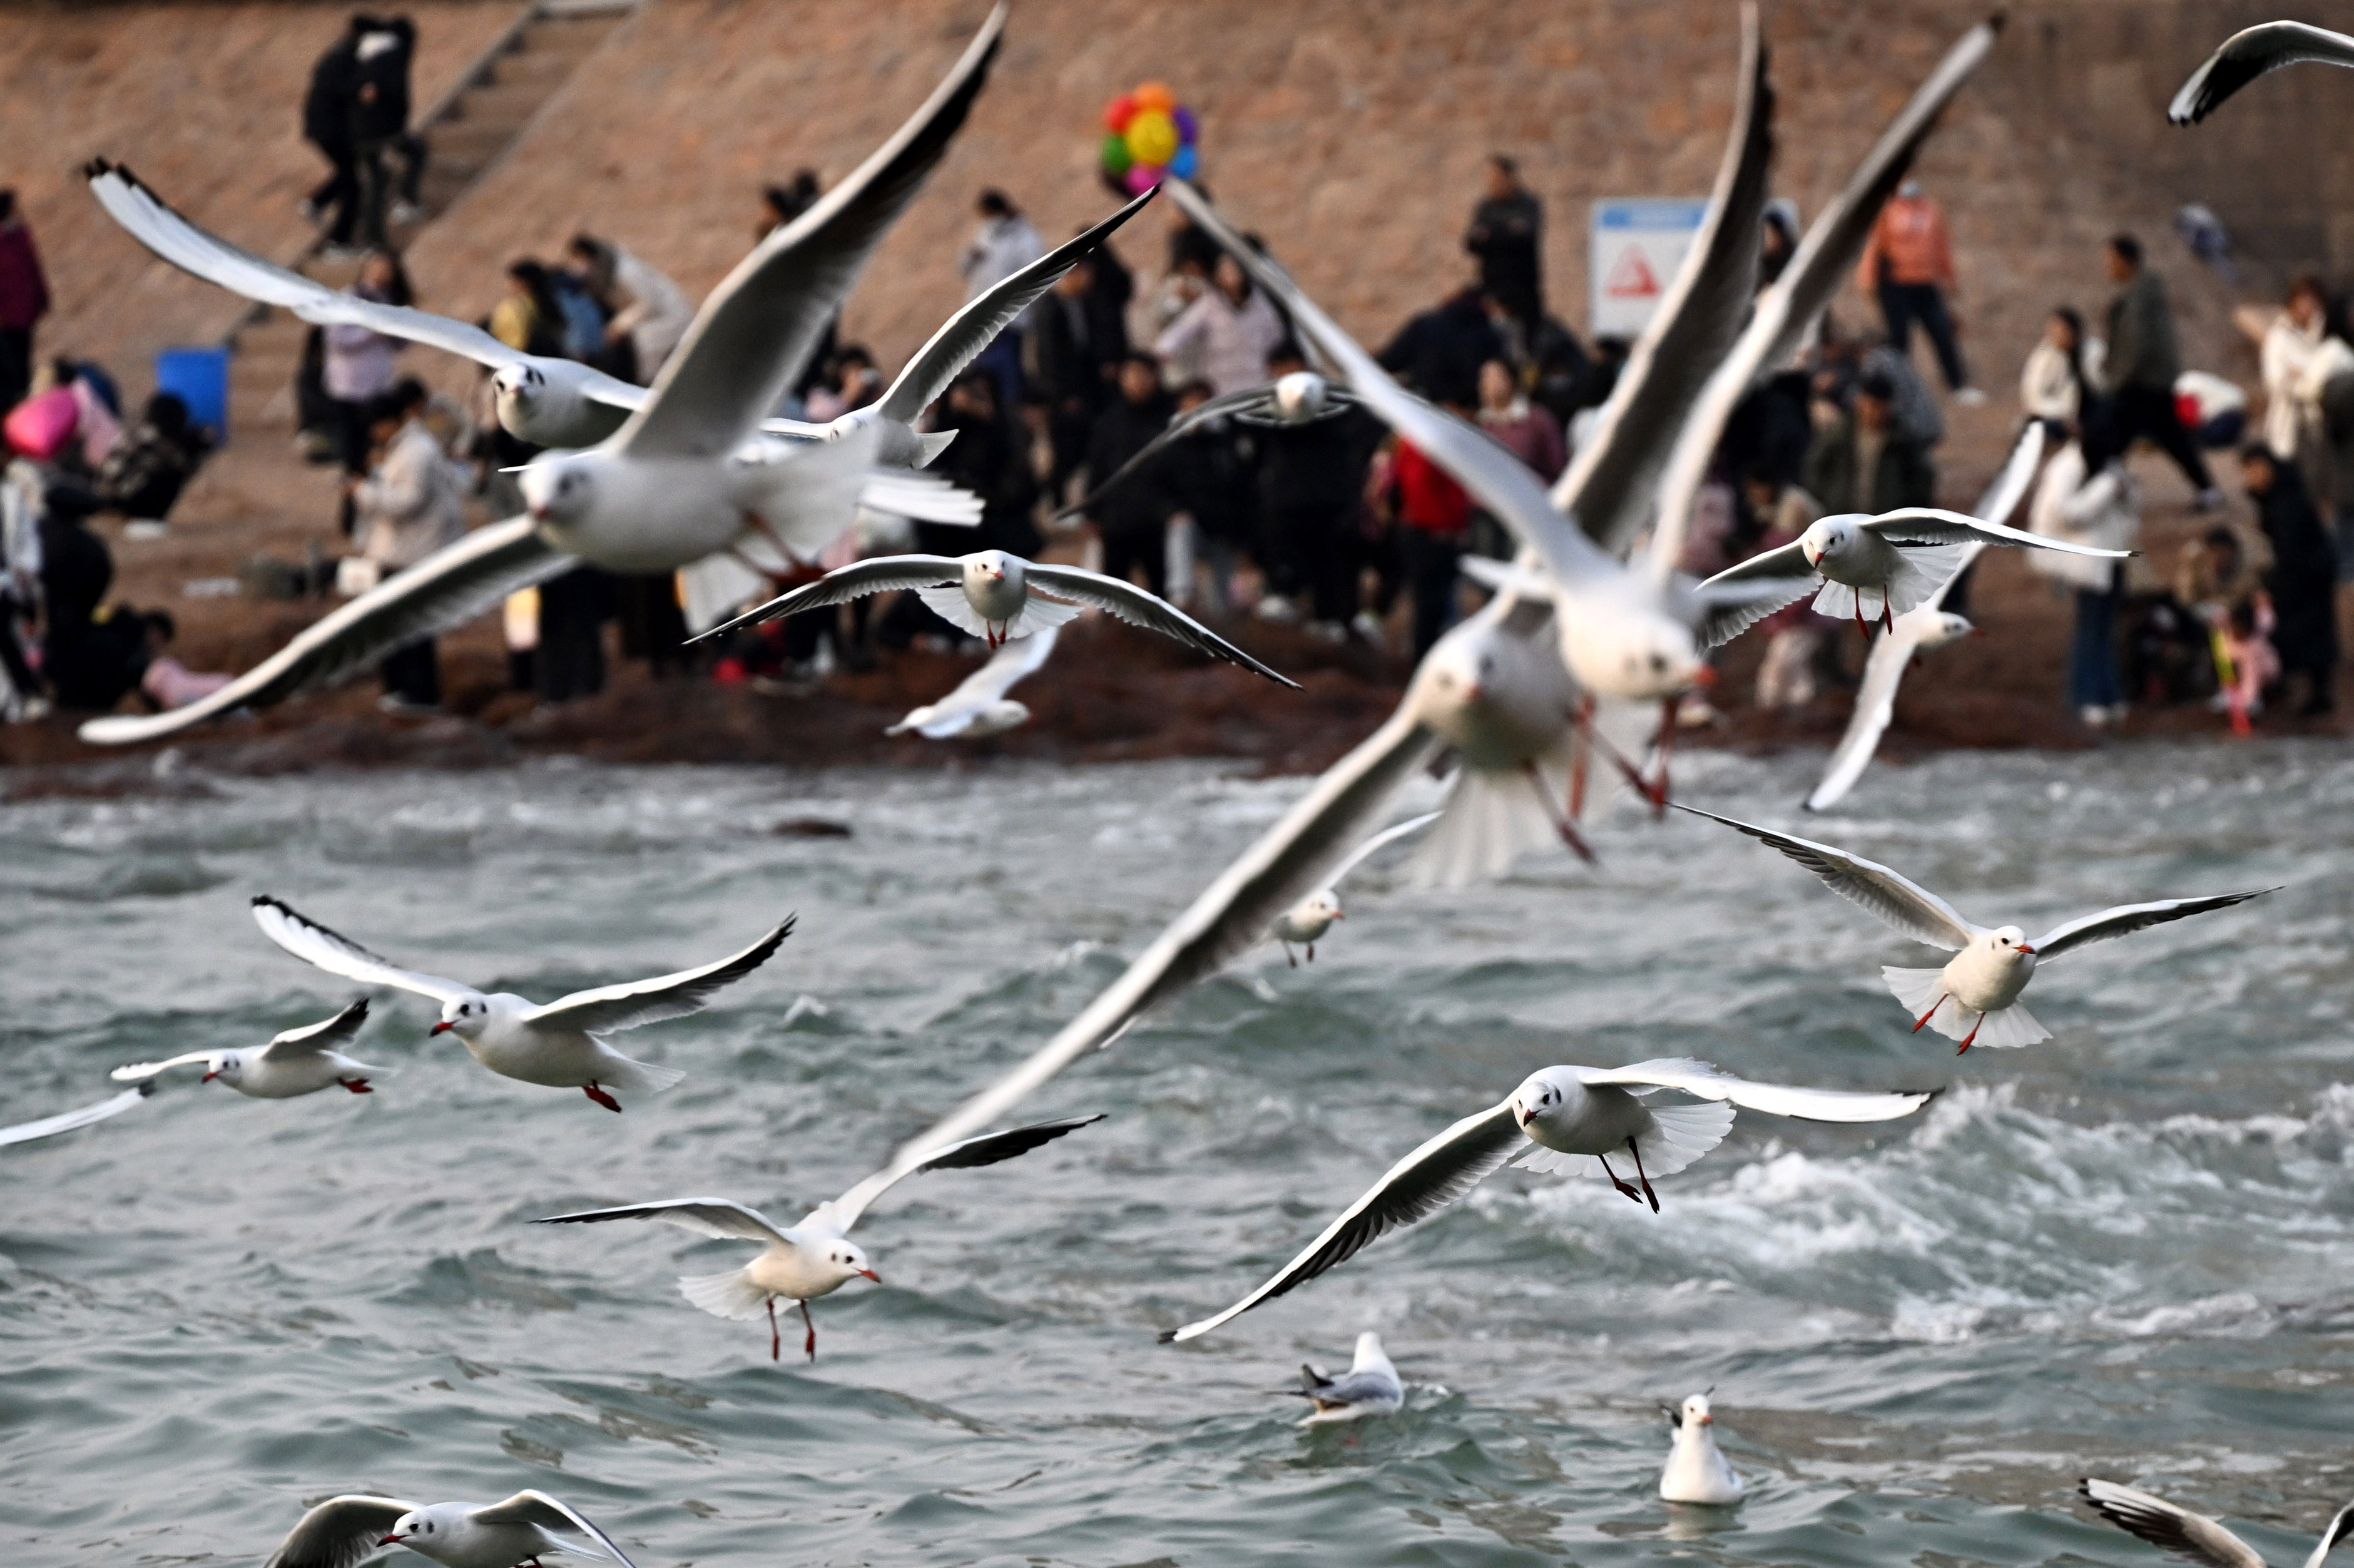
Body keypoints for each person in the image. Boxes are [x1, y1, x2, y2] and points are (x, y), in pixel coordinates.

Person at [351, 379, 466, 711]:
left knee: (411, 630)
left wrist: (363, 492)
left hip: (413, 555)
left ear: (391, 422)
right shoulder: (406, 448)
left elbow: (409, 502)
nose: (374, 433)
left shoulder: (417, 451)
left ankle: (418, 695)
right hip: (400, 552)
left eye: (377, 426)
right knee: (394, 628)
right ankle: (401, 691)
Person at [1256, 343, 1379, 633]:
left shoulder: (1332, 400)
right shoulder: (1268, 406)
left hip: (1329, 499)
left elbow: (1360, 436)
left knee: (1330, 563)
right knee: (1287, 553)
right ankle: (1286, 597)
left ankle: (1331, 620)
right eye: (1279, 370)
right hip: (1286, 499)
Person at [2029, 414, 2139, 726]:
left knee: (2105, 628)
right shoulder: (2069, 466)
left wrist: (2123, 490)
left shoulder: (2109, 465)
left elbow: (2130, 508)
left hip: (2111, 557)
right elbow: (2064, 513)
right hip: (2085, 561)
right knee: (2090, 629)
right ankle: (2085, 697)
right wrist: (2106, 489)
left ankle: (2109, 695)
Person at [2103, 233, 2219, 506]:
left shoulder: (2140, 296)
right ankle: (2207, 489)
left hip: (2143, 383)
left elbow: (2138, 343)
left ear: (2126, 261)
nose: (2108, 266)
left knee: (2115, 435)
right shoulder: (2144, 291)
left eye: (2112, 260)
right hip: (2150, 382)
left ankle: (2098, 490)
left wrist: (2120, 378)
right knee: (2166, 437)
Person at [1856, 179, 1979, 402]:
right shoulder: (1889, 211)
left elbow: (1941, 246)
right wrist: (1869, 280)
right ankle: (1897, 390)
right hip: (1895, 285)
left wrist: (1949, 278)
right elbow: (1875, 246)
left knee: (1943, 332)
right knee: (1899, 340)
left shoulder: (1931, 211)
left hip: (1926, 284)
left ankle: (1958, 385)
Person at [2238, 442, 2338, 713]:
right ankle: (2300, 692)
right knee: (2302, 632)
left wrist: (2272, 586)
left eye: (2254, 470)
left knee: (2301, 633)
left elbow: (2291, 548)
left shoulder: (2287, 502)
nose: (2251, 478)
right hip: (2305, 573)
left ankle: (2311, 694)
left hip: (2306, 575)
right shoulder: (2279, 497)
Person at [1081, 355, 1176, 596]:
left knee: (1160, 592)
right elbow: (1098, 469)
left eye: (1142, 374)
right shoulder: (1109, 422)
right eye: (1130, 375)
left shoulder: (1169, 420)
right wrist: (1092, 512)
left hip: (1156, 519)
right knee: (1113, 592)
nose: (1136, 381)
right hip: (1116, 519)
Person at [1031, 255, 1119, 497]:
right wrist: (1064, 395)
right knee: (1067, 451)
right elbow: (1049, 358)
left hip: (1088, 389)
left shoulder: (1083, 303)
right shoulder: (1050, 307)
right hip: (1065, 396)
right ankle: (1055, 498)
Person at [1390, 419, 1474, 658]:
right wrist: (1443, 525)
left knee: (1436, 605)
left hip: (1439, 530)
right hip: (1429, 533)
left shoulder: (1428, 435)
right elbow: (1419, 487)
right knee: (1430, 605)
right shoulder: (1424, 436)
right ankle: (1423, 660)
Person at [323, 250, 411, 474]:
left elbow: (401, 344)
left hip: (378, 384)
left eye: (386, 270)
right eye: (376, 268)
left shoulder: (390, 300)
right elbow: (337, 339)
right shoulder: (349, 297)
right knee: (354, 446)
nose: (380, 274)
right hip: (350, 385)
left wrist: (402, 327)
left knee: (376, 446)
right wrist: (372, 333)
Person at [1801, 371, 1936, 517]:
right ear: (1860, 402)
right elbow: (1814, 465)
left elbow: (1922, 478)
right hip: (1843, 518)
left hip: (1887, 523)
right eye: (1870, 404)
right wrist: (1829, 497)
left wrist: (1905, 508)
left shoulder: (1901, 439)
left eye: (1879, 406)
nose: (1874, 412)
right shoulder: (1841, 433)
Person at [1153, 252, 1283, 399]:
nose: (1230, 276)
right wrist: (1164, 351)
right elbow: (1182, 330)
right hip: (1220, 383)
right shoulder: (1210, 304)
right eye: (1225, 270)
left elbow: (1276, 336)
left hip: (1256, 377)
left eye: (1234, 270)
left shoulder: (1260, 304)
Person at [959, 190, 1044, 407]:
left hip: (1009, 323)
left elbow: (1034, 278)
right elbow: (963, 268)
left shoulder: (1026, 239)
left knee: (1007, 381)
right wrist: (971, 256)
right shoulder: (986, 234)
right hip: (979, 320)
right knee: (979, 379)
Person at [568, 235, 692, 384]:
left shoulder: (626, 271)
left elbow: (648, 302)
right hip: (650, 323)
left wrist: (619, 326)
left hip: (668, 318)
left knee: (649, 357)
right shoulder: (605, 276)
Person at [350, 14, 425, 245]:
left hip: (359, 129)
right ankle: (406, 200)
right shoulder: (394, 55)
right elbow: (387, 91)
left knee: (378, 178)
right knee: (416, 153)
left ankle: (373, 234)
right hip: (383, 128)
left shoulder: (365, 52)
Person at [1377, 285, 1504, 409]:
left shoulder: (1426, 324)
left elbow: (1391, 361)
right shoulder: (1488, 335)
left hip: (1421, 404)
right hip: (1464, 414)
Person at [97, 392, 213, 525]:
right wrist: (202, 443)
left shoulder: (134, 434)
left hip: (104, 497)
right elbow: (187, 467)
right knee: (170, 477)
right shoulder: (162, 444)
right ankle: (150, 520)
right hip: (125, 503)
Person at [299, 19, 365, 248]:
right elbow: (345, 91)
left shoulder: (338, 55)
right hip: (331, 130)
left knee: (349, 175)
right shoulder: (345, 59)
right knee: (353, 183)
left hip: (324, 128)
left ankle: (318, 203)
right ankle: (338, 239)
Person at [1464, 155, 1542, 335]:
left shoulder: (1527, 205)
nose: (1491, 184)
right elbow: (1471, 243)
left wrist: (1490, 234)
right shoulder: (1486, 207)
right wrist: (1507, 230)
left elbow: (1524, 237)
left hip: (1522, 291)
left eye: (1496, 178)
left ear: (1509, 178)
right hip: (1491, 286)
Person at [0, 191, 49, 414]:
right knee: (12, 370)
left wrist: (42, 297)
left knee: (23, 363)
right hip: (7, 318)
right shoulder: (10, 239)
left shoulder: (19, 235)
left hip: (23, 313)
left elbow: (33, 269)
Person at [2019, 306, 2103, 424]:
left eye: (2062, 331)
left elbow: (2106, 387)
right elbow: (2033, 397)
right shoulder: (2045, 357)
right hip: (2057, 417)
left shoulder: (2095, 352)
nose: (2057, 336)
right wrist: (2065, 415)